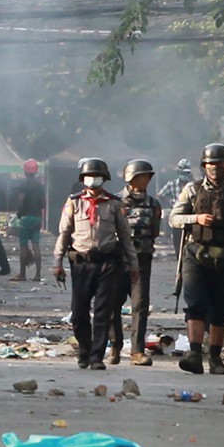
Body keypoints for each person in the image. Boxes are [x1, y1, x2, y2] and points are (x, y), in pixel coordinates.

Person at [53, 158, 138, 370]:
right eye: (89, 176)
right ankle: (84, 350)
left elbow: (125, 236)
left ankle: (97, 356)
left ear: (105, 179)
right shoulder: (74, 202)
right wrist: (57, 262)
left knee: (103, 311)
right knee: (79, 310)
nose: (93, 180)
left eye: (97, 176)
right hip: (81, 263)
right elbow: (64, 234)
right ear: (83, 179)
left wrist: (133, 264)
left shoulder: (114, 203)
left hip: (108, 263)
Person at [169, 143, 224, 375]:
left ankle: (215, 358)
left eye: (220, 163)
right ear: (204, 166)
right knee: (195, 306)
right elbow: (174, 219)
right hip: (196, 254)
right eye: (211, 164)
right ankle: (195, 354)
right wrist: (196, 218)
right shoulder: (192, 190)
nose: (215, 168)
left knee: (220, 309)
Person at [108, 160, 161, 367]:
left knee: (140, 306)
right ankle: (115, 346)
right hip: (118, 260)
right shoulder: (116, 202)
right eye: (142, 176)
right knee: (113, 304)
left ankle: (137, 351)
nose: (146, 180)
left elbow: (154, 231)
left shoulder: (153, 204)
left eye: (148, 176)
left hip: (142, 260)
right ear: (131, 178)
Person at [14, 159, 46, 281]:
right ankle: (37, 275)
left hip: (26, 217)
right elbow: (44, 203)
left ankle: (22, 274)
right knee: (36, 245)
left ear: (25, 172)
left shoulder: (23, 186)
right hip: (37, 217)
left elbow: (21, 201)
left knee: (23, 245)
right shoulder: (40, 186)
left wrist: (19, 213)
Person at [159, 158, 194, 256]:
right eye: (183, 173)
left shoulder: (192, 186)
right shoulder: (172, 184)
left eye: (187, 173)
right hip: (177, 217)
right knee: (178, 242)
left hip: (190, 216)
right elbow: (161, 194)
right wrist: (171, 202)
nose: (185, 176)